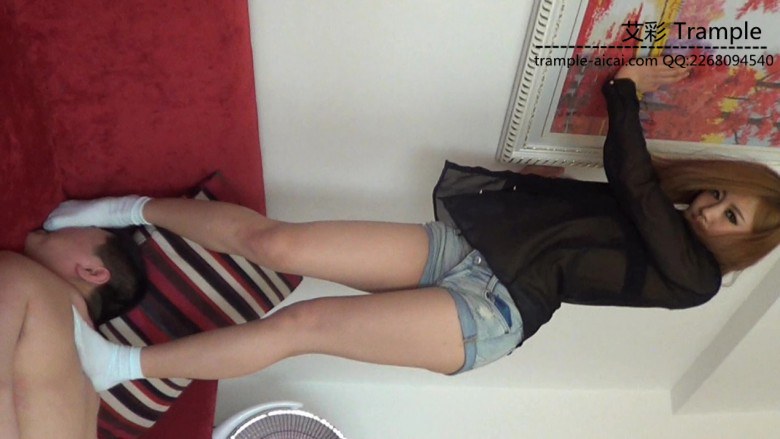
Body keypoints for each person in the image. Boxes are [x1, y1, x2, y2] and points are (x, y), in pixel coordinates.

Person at [6, 63, 780, 437]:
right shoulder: (665, 227)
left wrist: (624, 90)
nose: (709, 209)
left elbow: (633, 180)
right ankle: (120, 210)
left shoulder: (696, 280)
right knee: (277, 241)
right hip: (464, 248)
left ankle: (120, 366)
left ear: (743, 242)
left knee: (302, 326)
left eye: (729, 215)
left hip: (494, 312)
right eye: (719, 194)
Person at [1, 228, 146, 438]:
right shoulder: (90, 388)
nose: (58, 226)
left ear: (92, 272)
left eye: (85, 228)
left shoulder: (20, 275)